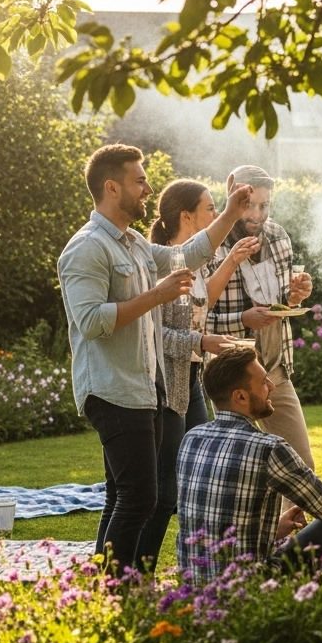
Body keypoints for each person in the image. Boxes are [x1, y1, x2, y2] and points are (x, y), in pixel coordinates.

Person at [58, 144, 252, 574]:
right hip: (112, 388)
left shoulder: (134, 245)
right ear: (112, 187)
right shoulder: (86, 248)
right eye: (139, 180)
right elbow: (90, 321)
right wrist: (157, 296)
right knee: (142, 498)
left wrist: (231, 213)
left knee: (122, 496)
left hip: (143, 388)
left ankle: (106, 587)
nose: (148, 188)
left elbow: (191, 253)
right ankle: (119, 591)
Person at [137, 179, 260, 570]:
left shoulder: (191, 264)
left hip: (189, 381)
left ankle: (197, 565)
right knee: (165, 490)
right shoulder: (162, 267)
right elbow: (156, 333)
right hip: (165, 384)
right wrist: (202, 341)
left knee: (198, 473)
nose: (215, 216)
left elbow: (205, 296)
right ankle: (137, 573)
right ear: (186, 216)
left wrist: (232, 260)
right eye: (210, 209)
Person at [176, 346, 322, 580]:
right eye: (264, 382)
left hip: (195, 586)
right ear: (241, 396)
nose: (272, 387)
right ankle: (312, 612)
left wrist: (273, 528)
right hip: (249, 589)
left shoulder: (191, 438)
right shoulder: (269, 448)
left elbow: (215, 525)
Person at [204, 166, 316, 474]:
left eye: (264, 205)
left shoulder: (279, 236)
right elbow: (196, 318)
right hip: (231, 376)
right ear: (232, 199)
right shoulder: (209, 243)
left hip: (274, 370)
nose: (257, 213)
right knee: (240, 472)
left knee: (300, 466)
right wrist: (243, 318)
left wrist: (296, 296)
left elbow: (280, 302)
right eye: (248, 204)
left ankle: (296, 523)